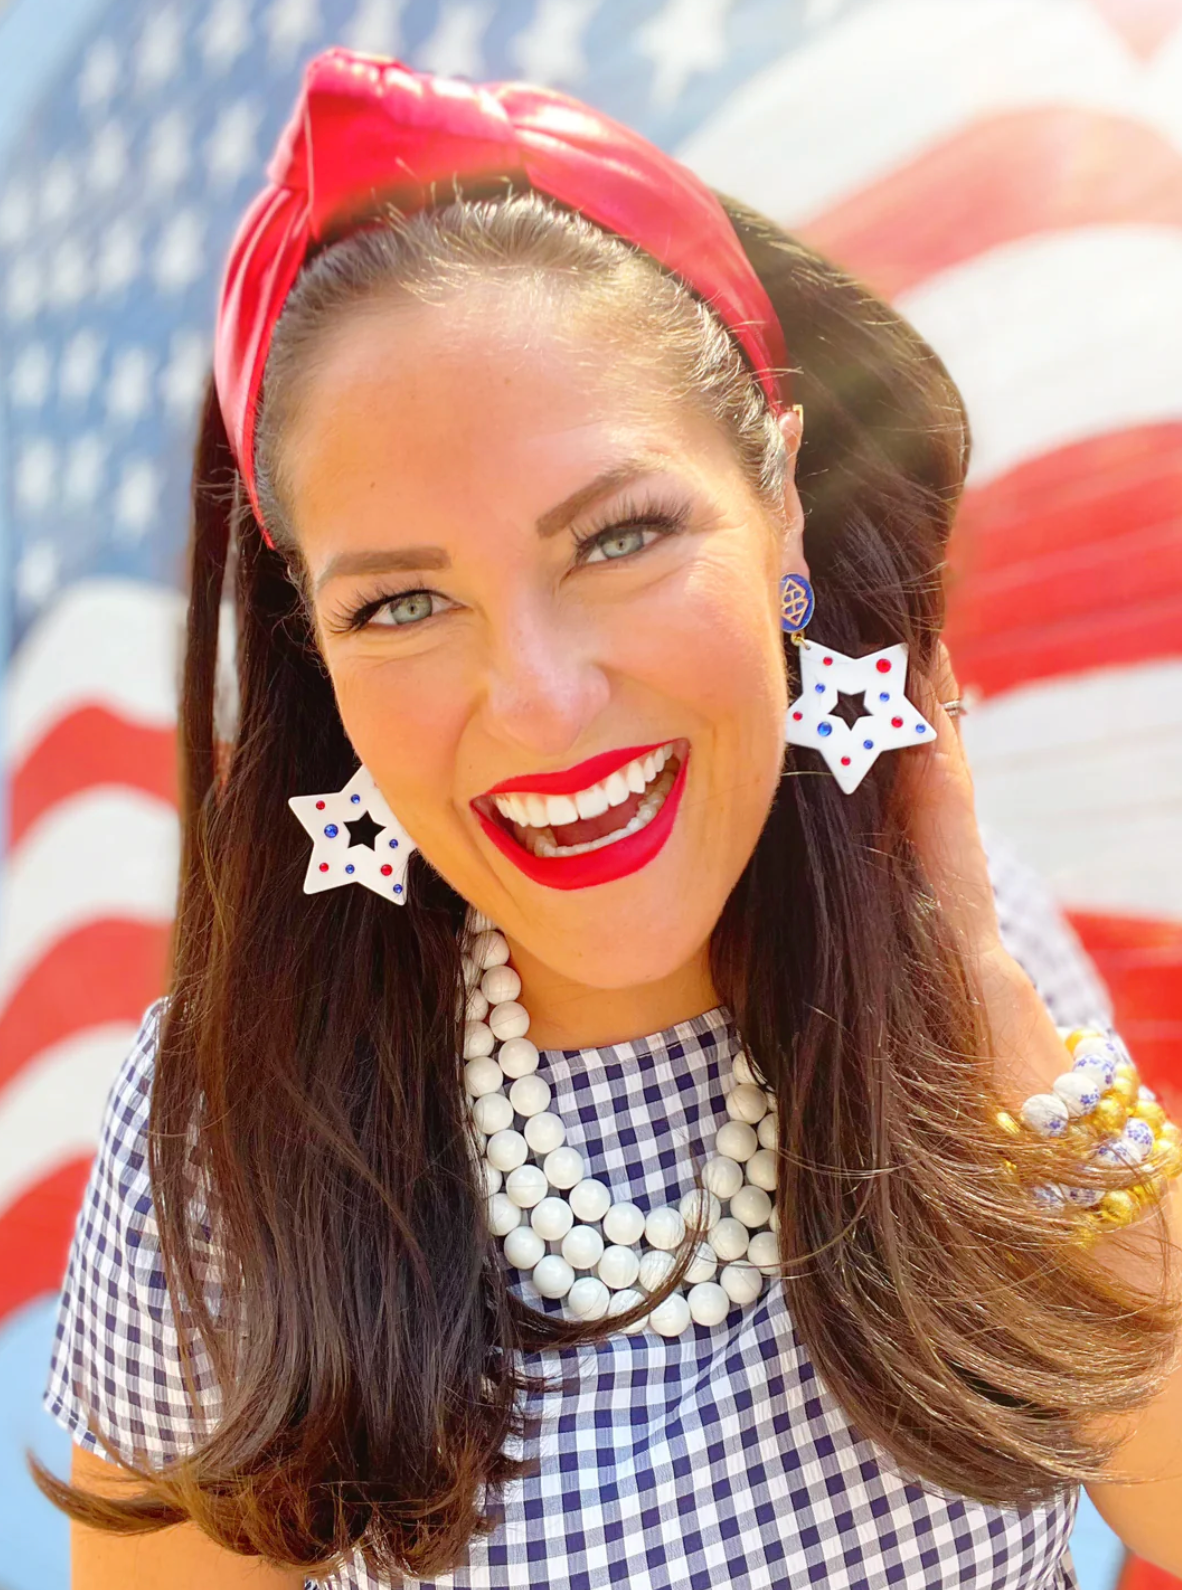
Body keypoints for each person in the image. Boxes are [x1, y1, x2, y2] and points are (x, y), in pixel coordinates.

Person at [34, 47, 1182, 1590]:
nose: (541, 701)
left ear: (776, 496)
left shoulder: (978, 975)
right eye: (403, 601)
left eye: (619, 534)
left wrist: (978, 995)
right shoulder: (224, 1140)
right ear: (314, 641)